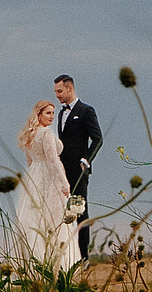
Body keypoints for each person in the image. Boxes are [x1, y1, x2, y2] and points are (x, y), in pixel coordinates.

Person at [15, 100, 78, 273]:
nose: (51, 116)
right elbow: (53, 159)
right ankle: (58, 265)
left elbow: (30, 162)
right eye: (48, 113)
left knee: (35, 217)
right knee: (54, 217)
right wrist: (64, 183)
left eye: (52, 113)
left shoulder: (29, 134)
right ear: (39, 114)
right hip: (49, 177)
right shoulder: (46, 134)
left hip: (34, 176)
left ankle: (35, 263)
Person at [53, 74, 103, 259]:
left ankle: (84, 258)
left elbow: (98, 138)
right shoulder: (60, 113)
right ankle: (67, 255)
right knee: (62, 212)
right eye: (56, 92)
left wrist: (86, 160)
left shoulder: (86, 111)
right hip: (61, 170)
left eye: (59, 91)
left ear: (69, 88)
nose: (57, 95)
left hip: (78, 171)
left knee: (80, 211)